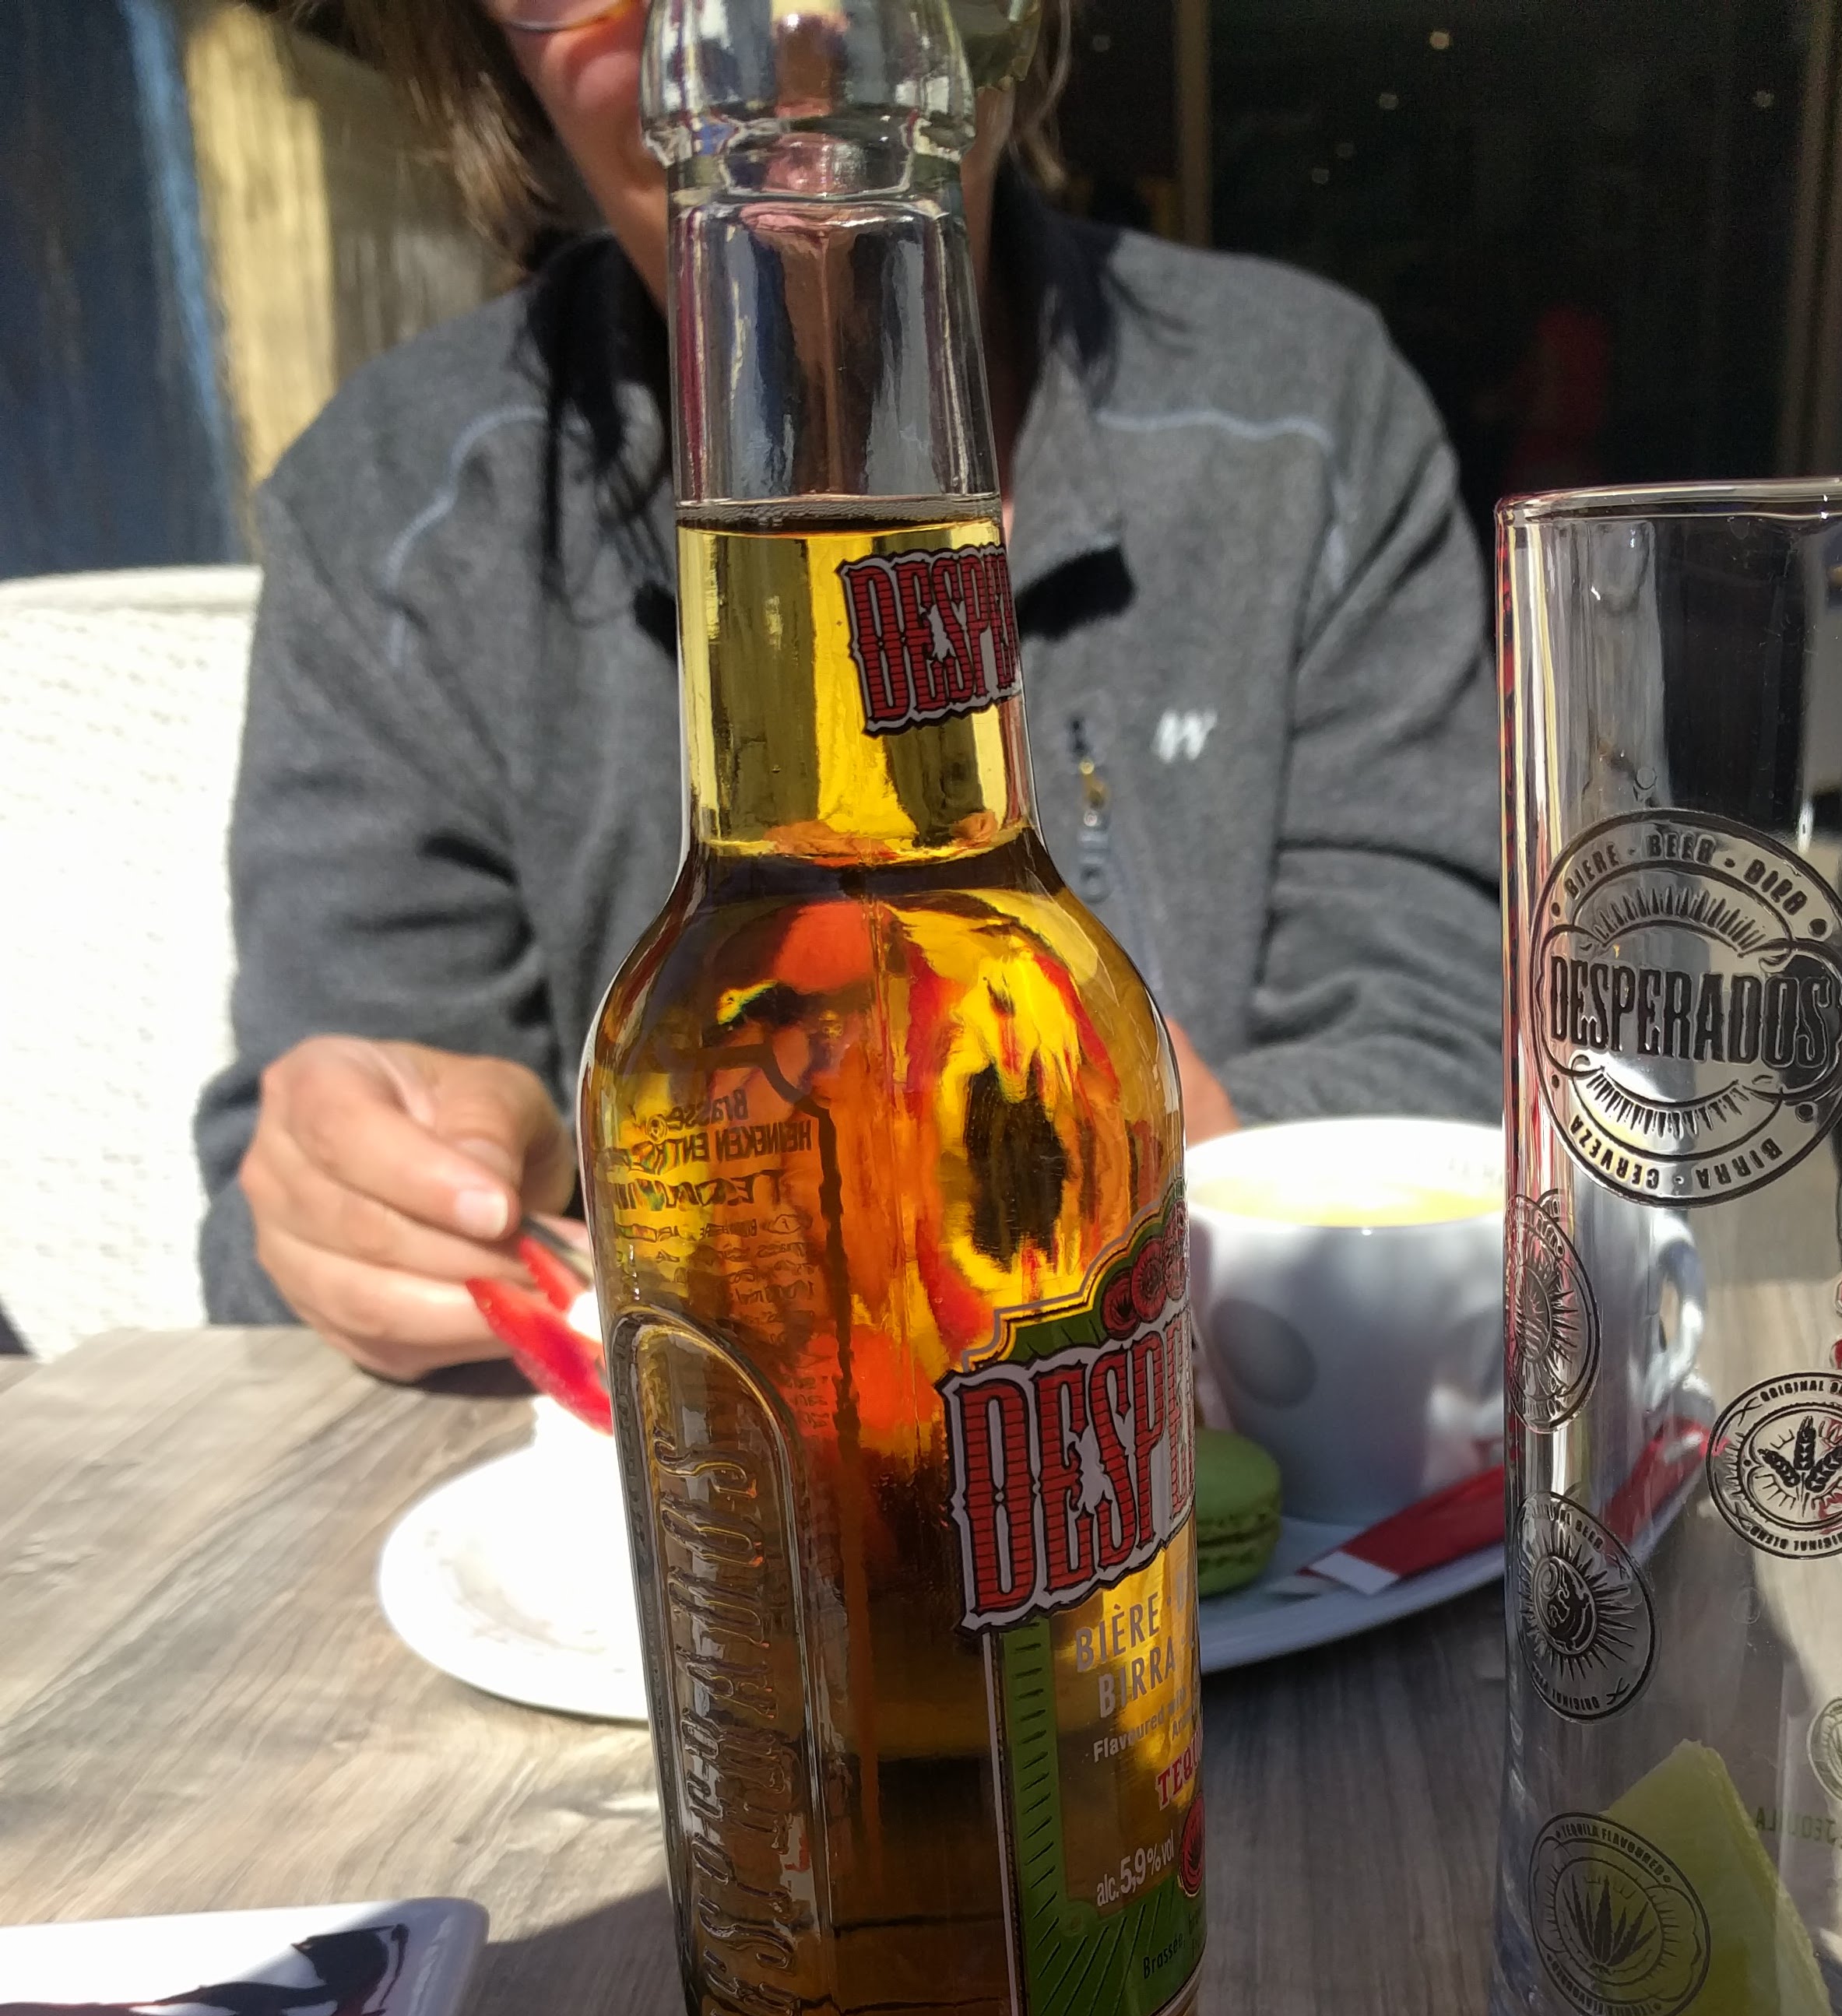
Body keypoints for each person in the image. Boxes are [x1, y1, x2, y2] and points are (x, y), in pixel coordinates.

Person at [199, 0, 1502, 1378]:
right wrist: (384, 1199)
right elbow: (259, 1248)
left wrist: (1061, 1126)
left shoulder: (1304, 418)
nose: (776, 21)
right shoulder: (390, 508)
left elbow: (1450, 1065)